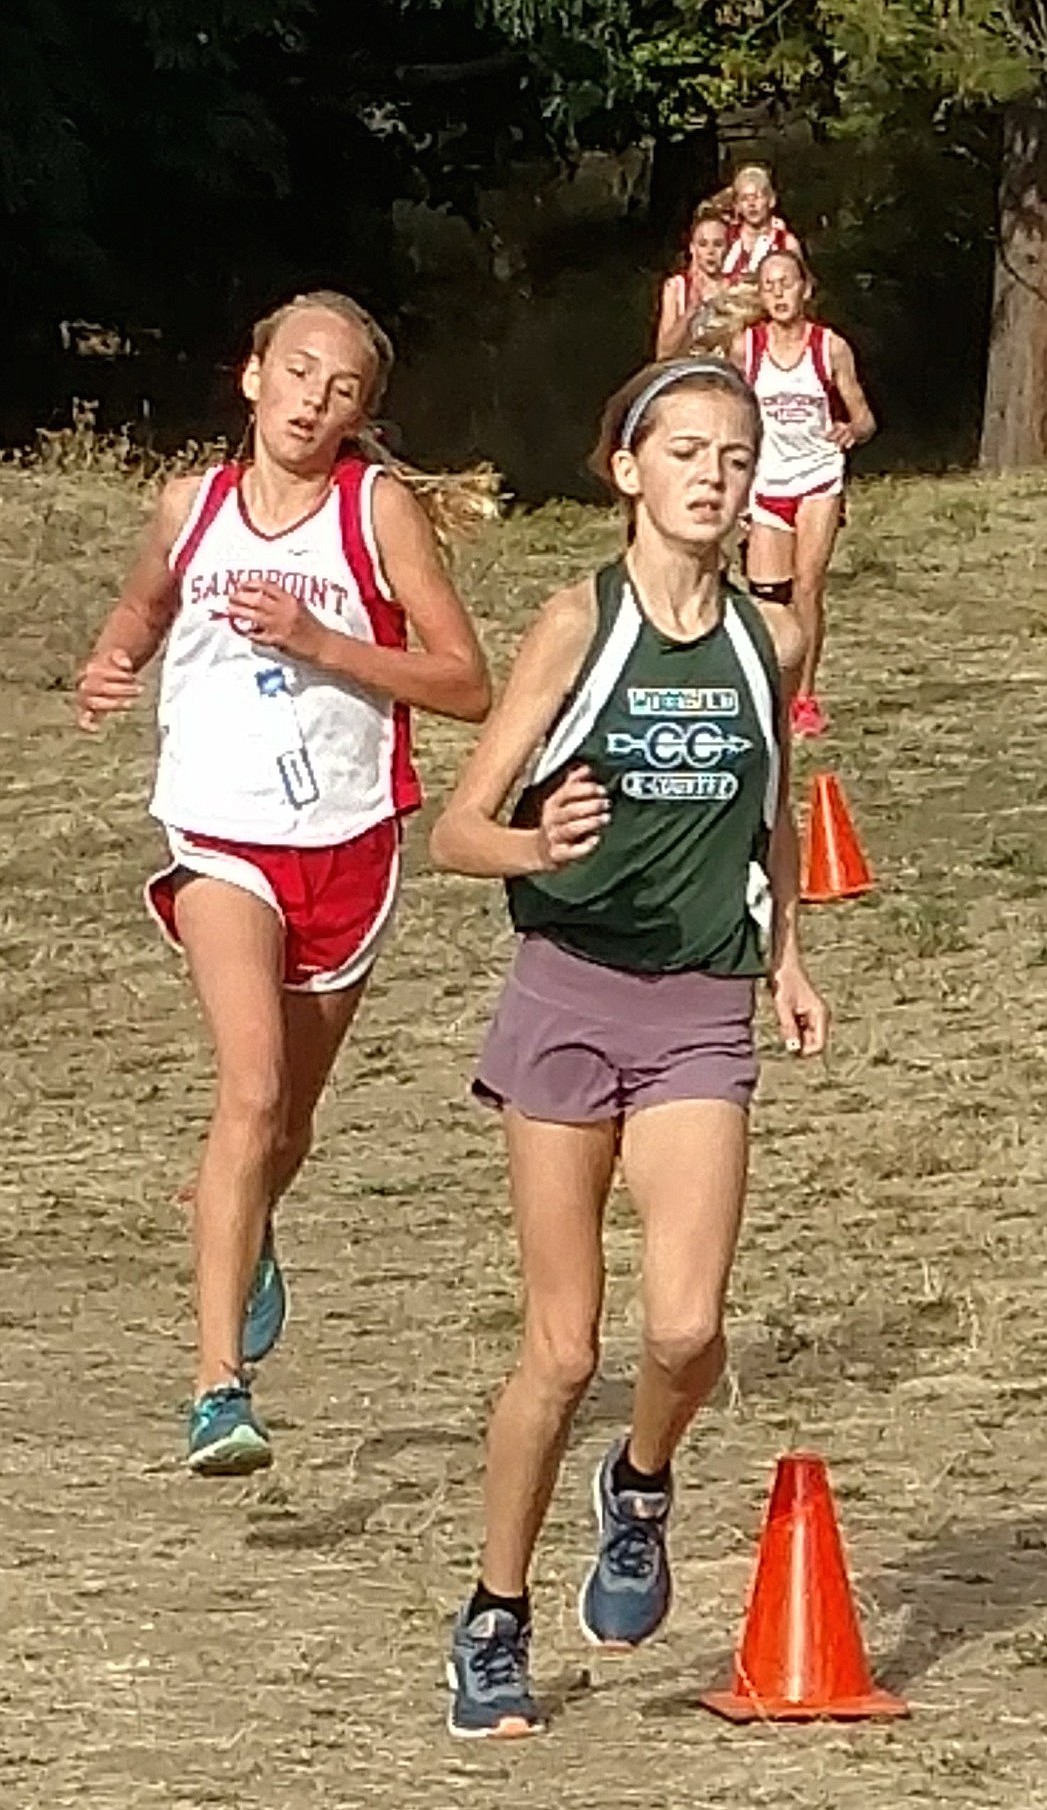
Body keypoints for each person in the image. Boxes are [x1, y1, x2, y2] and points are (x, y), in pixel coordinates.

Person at [429, 356, 829, 1739]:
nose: (711, 476)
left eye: (732, 456)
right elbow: (453, 829)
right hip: (561, 996)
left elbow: (771, 806)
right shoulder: (572, 623)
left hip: (694, 1009)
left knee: (684, 1326)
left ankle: (640, 1484)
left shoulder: (760, 644)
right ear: (627, 471)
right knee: (556, 1348)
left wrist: (782, 953)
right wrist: (534, 840)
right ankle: (492, 1615)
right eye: (684, 453)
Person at [76, 289, 492, 1475]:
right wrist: (113, 660)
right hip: (219, 835)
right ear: (252, 375)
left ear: (364, 411)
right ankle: (218, 1385)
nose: (315, 398)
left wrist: (323, 643)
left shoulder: (378, 514)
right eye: (298, 371)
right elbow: (142, 605)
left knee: (287, 1121)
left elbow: (465, 682)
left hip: (349, 841)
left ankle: (242, 1228)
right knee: (250, 1091)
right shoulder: (190, 506)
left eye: (344, 386)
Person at [730, 250, 876, 737]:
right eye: (769, 285)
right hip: (767, 482)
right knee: (770, 598)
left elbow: (865, 417)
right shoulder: (745, 349)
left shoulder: (829, 347)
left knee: (808, 585)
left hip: (818, 476)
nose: (778, 293)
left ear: (805, 288)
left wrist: (850, 430)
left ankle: (806, 699)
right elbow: (732, 416)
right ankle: (773, 692)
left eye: (786, 283)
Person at [655, 204, 731, 358]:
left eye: (718, 244)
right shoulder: (676, 287)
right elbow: (663, 353)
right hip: (686, 370)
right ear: (692, 248)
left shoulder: (735, 288)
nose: (710, 252)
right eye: (703, 244)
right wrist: (691, 312)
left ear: (728, 248)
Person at [721, 165, 800, 283]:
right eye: (744, 198)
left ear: (771, 200)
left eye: (757, 197)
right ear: (737, 205)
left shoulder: (786, 243)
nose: (751, 204)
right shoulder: (726, 238)